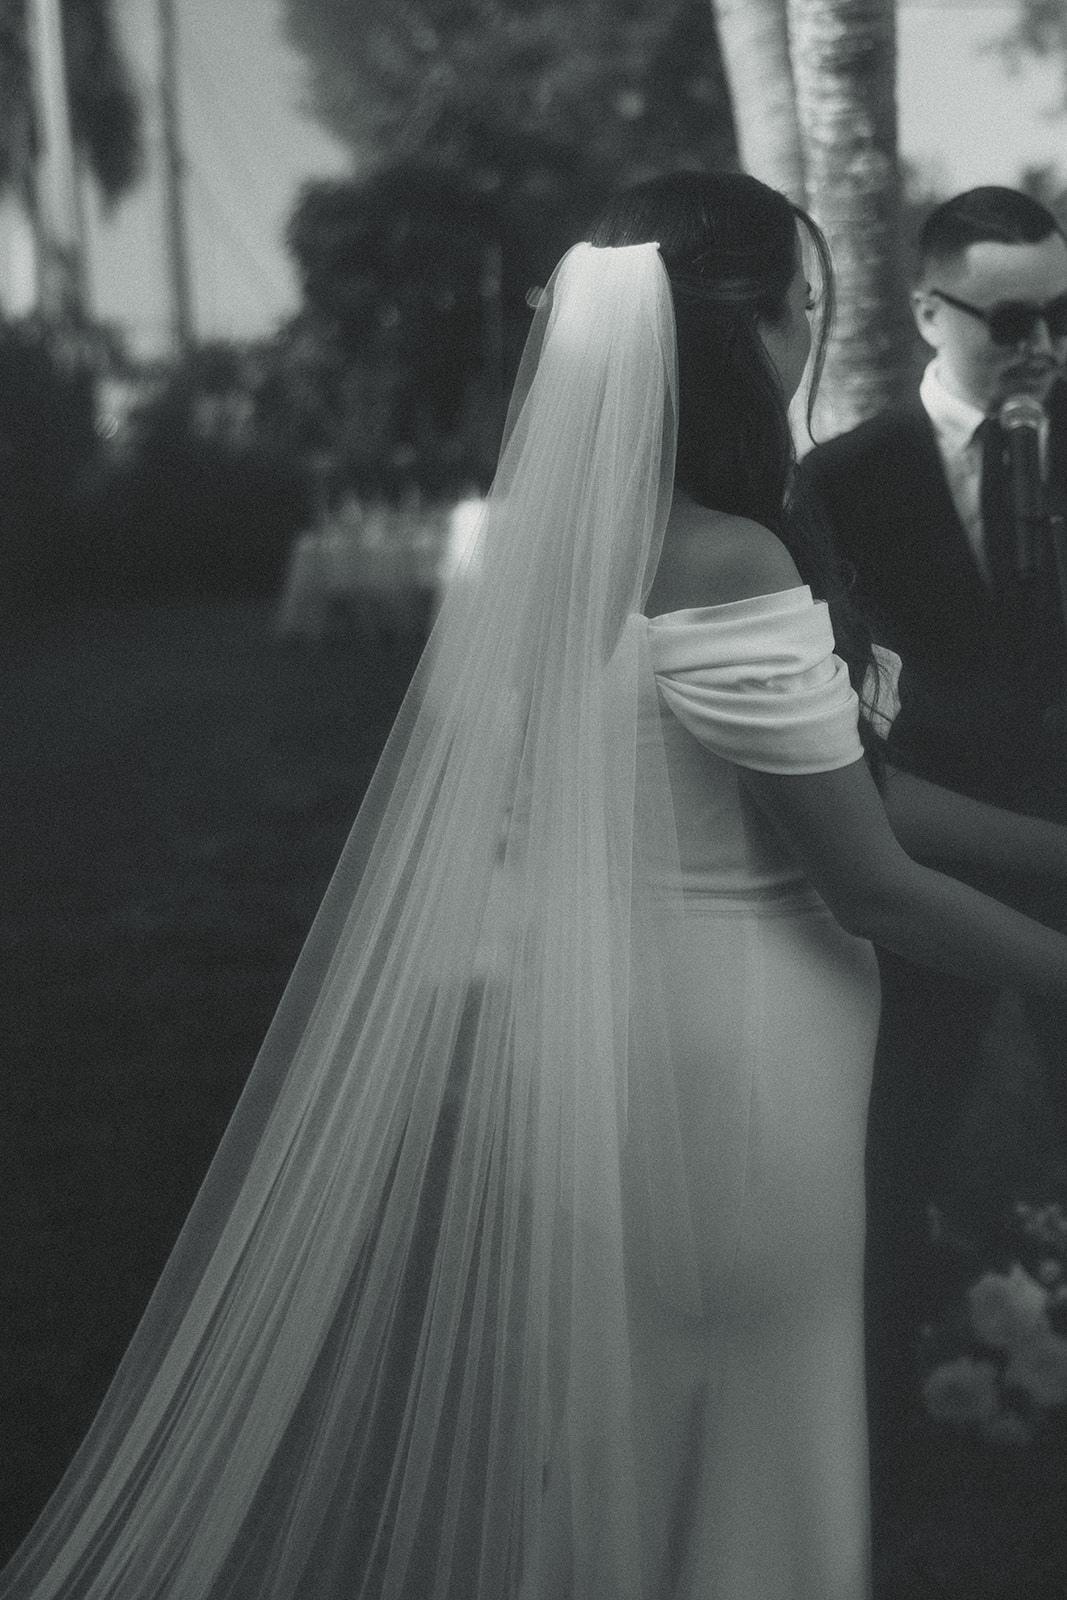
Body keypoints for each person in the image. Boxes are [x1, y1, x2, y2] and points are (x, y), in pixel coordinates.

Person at [5, 170, 1067, 1600]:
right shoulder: (728, 553)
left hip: (619, 1044)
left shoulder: (570, 549)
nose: (813, 335)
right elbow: (870, 880)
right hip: (747, 1070)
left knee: (652, 1434)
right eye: (803, 307)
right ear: (728, 335)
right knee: (756, 1446)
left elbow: (849, 785)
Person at [799, 186, 1067, 1502]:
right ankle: (884, 1441)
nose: (1044, 346)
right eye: (1014, 316)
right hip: (933, 868)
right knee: (896, 1138)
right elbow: (846, 711)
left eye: (1064, 314)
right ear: (923, 310)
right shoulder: (844, 481)